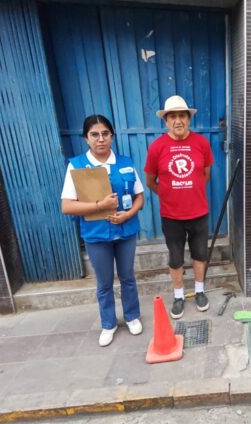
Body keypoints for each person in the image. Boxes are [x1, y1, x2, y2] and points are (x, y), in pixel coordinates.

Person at [61, 115, 145, 347]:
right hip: (96, 235)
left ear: (112, 136)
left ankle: (132, 316)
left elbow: (140, 196)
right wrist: (100, 206)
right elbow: (67, 206)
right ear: (86, 138)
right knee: (104, 283)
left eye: (105, 134)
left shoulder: (125, 162)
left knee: (128, 277)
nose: (101, 139)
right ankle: (108, 324)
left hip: (126, 231)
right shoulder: (77, 166)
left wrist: (128, 214)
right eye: (94, 135)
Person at [145, 95, 214, 319]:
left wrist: (190, 191)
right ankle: (178, 296)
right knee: (175, 258)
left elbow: (205, 175)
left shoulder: (201, 143)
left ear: (188, 118)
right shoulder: (157, 147)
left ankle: (200, 292)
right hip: (171, 215)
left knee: (200, 254)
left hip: (198, 213)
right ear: (166, 121)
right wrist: (169, 194)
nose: (177, 120)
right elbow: (150, 181)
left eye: (181, 116)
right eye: (172, 116)